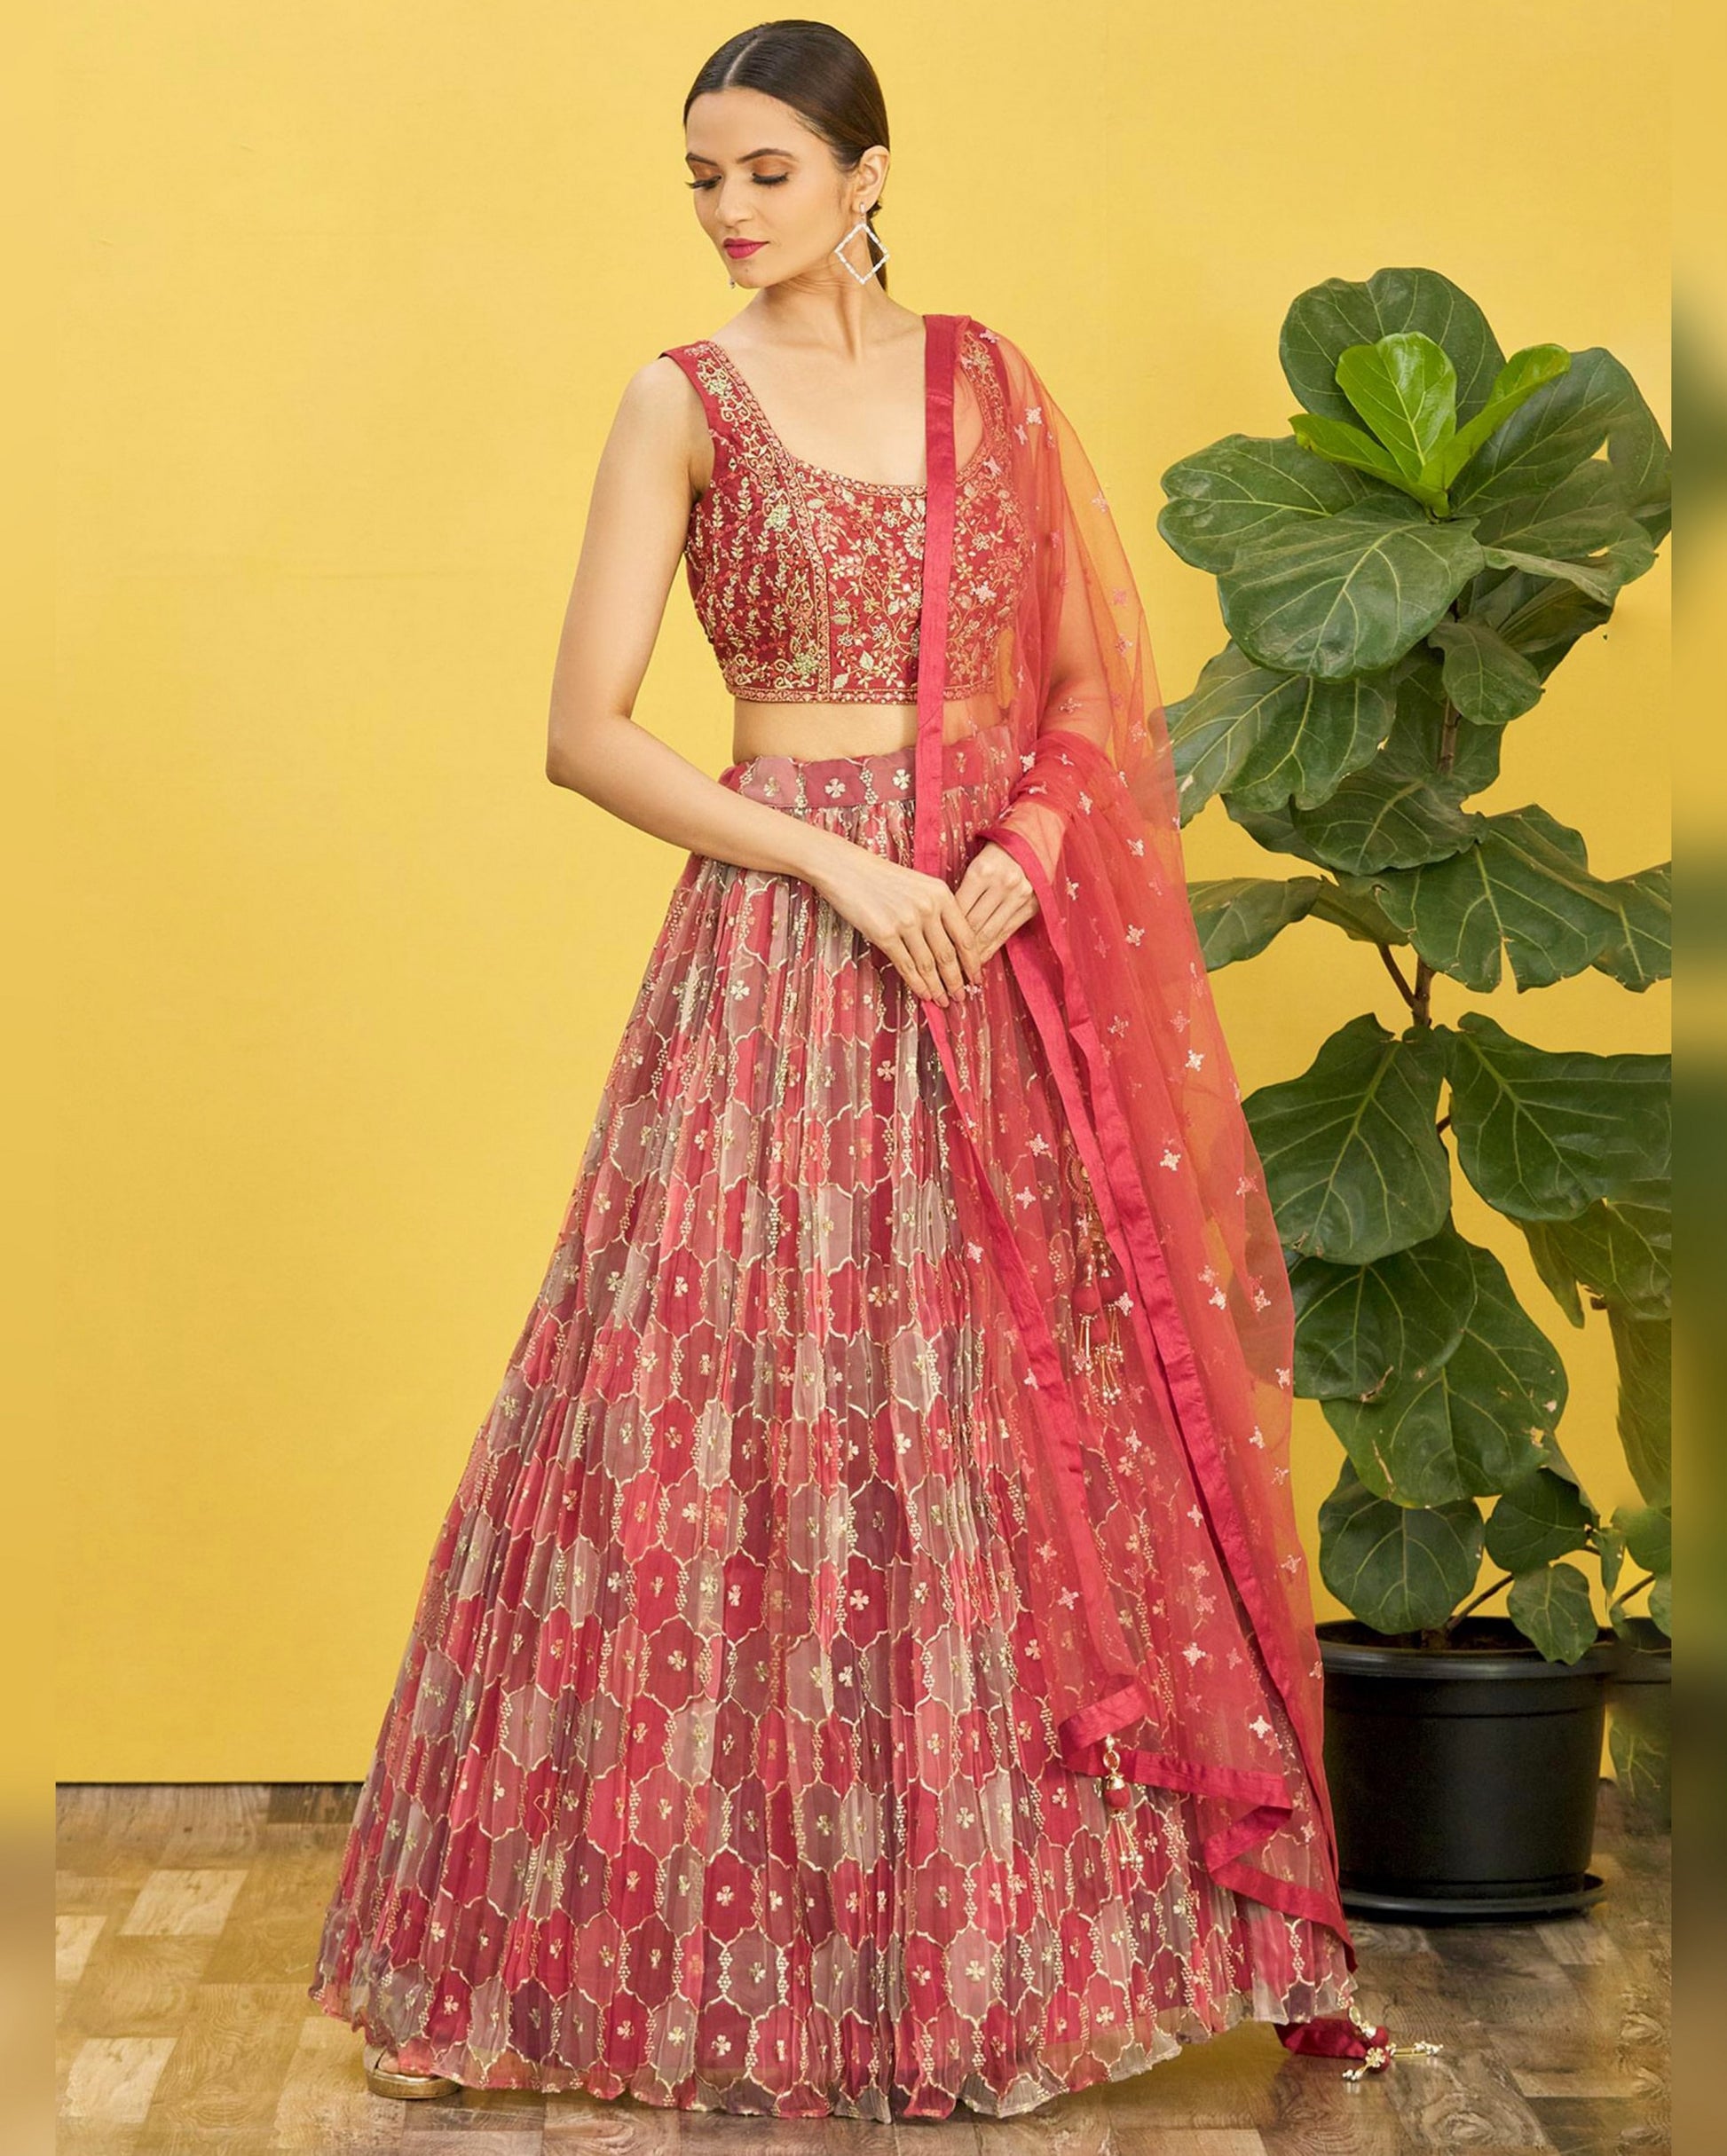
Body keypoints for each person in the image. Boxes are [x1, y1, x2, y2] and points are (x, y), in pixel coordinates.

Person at [308, 19, 1405, 2124]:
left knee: (1002, 1433)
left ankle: (1022, 1959)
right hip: (782, 965)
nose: (728, 211)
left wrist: (1012, 861)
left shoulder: (988, 388)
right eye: (701, 176)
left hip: (994, 971)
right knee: (727, 1421)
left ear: (868, 172)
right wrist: (837, 865)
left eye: (765, 173)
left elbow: (1093, 685)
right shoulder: (680, 401)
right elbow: (589, 727)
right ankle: (690, 1958)